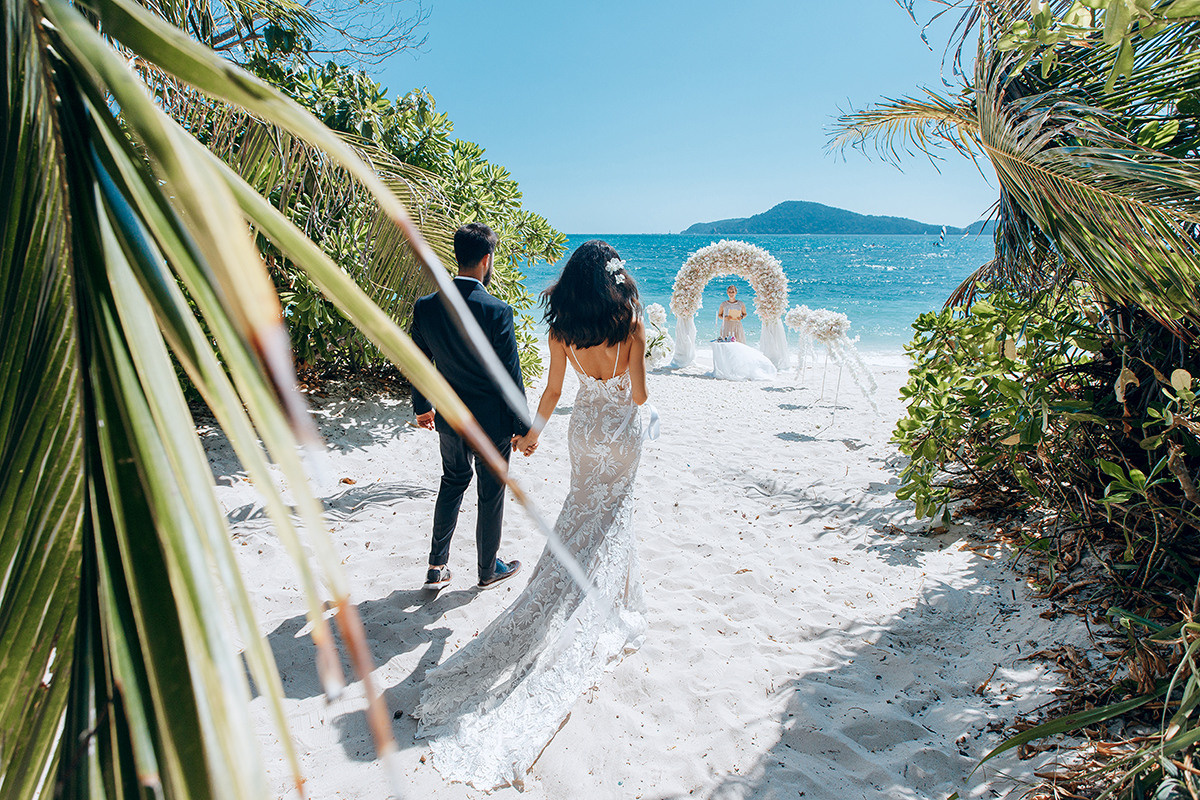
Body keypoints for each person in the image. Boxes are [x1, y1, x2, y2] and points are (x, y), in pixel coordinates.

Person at [413, 240, 649, 789]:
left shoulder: (562, 330)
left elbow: (551, 391)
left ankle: (588, 593)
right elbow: (638, 397)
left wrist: (533, 434)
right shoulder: (632, 326)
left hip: (582, 434)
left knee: (579, 517)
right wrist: (635, 356)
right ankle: (608, 603)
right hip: (621, 434)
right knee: (613, 520)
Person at [409, 223, 526, 591]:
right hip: (491, 423)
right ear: (487, 260)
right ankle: (488, 569)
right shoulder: (497, 310)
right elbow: (510, 375)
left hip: (449, 418)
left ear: (457, 256)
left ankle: (436, 565)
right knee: (490, 492)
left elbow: (416, 359)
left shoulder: (427, 307)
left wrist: (422, 406)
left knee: (453, 481)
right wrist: (522, 426)